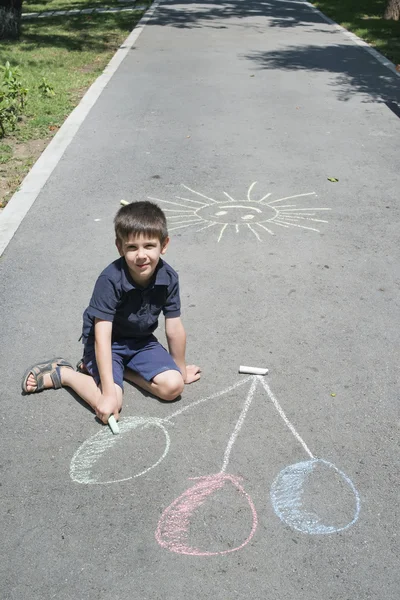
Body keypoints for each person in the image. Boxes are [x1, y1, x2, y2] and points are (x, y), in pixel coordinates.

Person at [22, 201, 201, 424]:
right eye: (132, 247)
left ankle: (121, 371)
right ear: (120, 247)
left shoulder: (169, 277)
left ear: (164, 245)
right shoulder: (110, 280)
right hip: (106, 344)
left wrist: (180, 369)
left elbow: (174, 327)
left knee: (174, 386)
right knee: (110, 407)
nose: (141, 255)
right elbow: (102, 337)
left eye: (149, 246)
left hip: (141, 342)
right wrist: (107, 393)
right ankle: (65, 374)